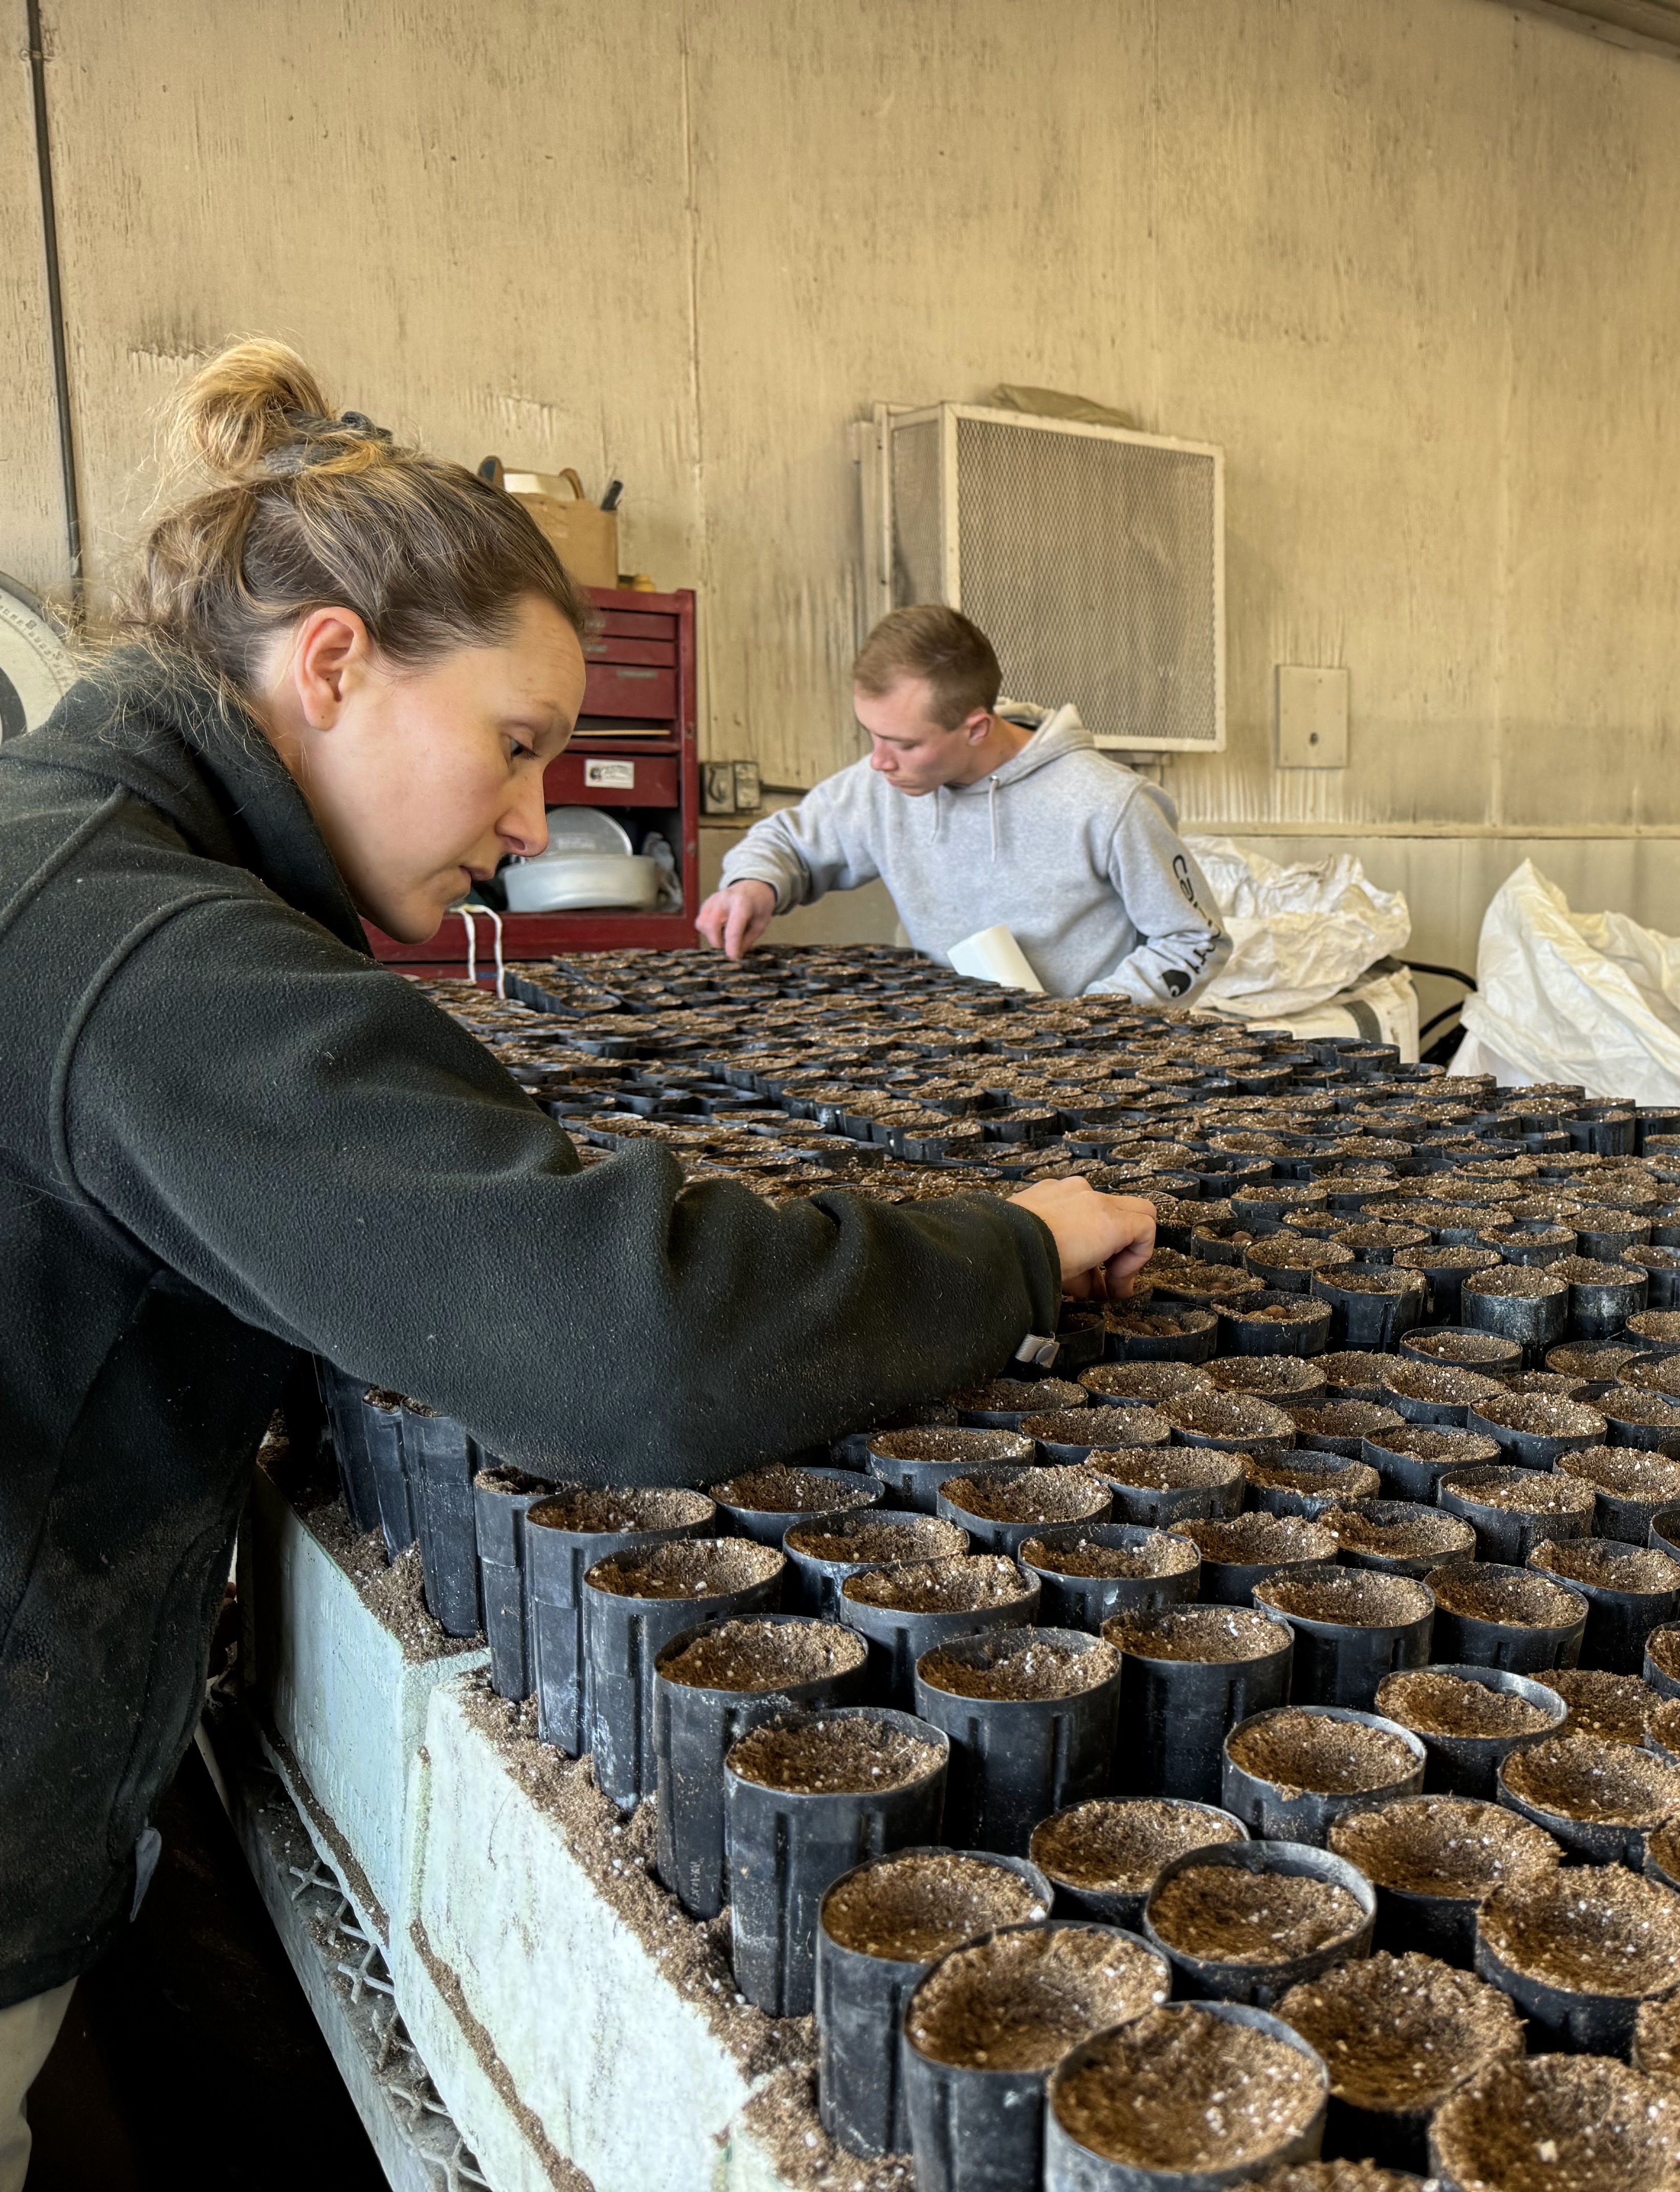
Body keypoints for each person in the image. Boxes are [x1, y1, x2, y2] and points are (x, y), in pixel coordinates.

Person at [0, 343, 1157, 2186]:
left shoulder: (88, 846)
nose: (540, 824)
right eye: (517, 743)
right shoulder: (145, 952)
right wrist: (1012, 1247)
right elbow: (633, 1338)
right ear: (331, 665)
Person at [696, 604, 1232, 1002]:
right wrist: (754, 883)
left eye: (904, 743)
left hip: (1079, 1073)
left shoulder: (1109, 804)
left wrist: (1091, 1026)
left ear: (976, 728)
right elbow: (788, 841)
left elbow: (1194, 939)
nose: (879, 761)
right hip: (948, 1050)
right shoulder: (881, 784)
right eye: (871, 734)